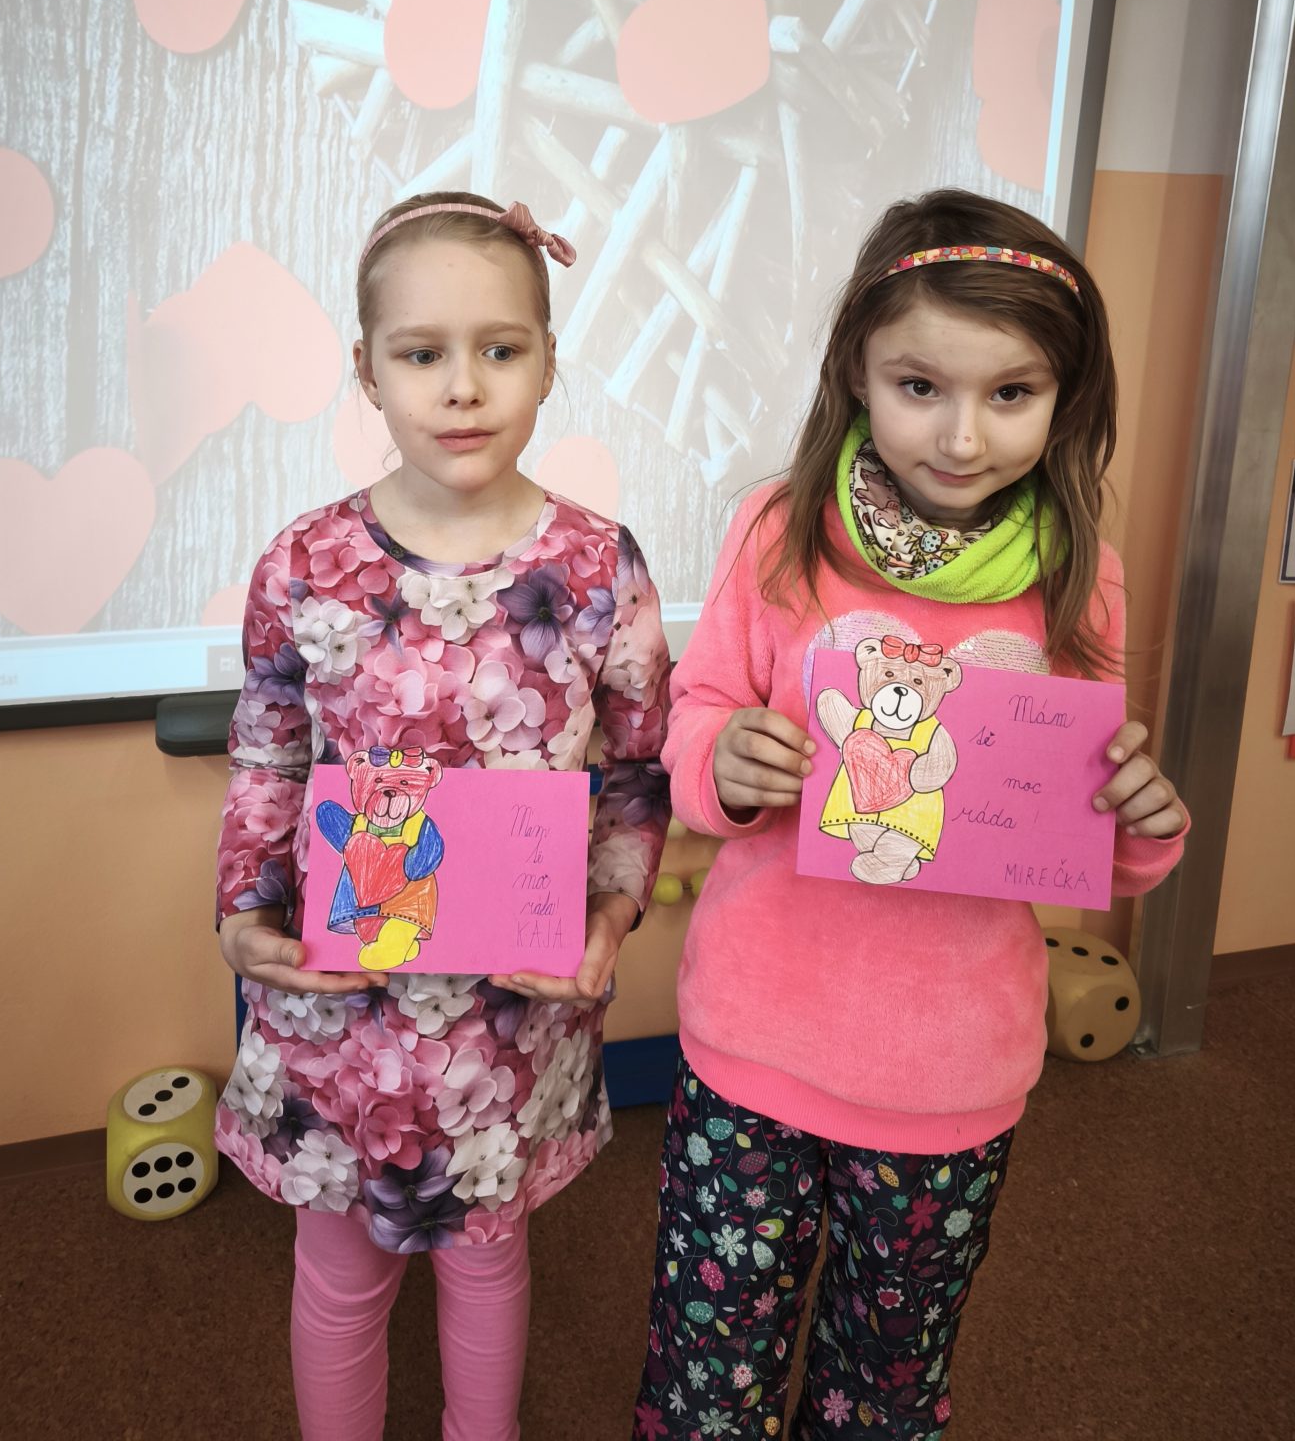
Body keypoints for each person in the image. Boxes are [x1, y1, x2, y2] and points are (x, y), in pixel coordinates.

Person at [632, 189, 1188, 1441]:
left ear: (1066, 400)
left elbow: (1086, 823)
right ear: (857, 373)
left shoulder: (1080, 574)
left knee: (883, 1390)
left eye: (1012, 392)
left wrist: (1141, 820)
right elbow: (699, 709)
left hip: (952, 1070)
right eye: (920, 385)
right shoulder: (780, 530)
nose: (962, 434)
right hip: (755, 1046)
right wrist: (725, 759)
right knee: (707, 1378)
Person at [214, 190, 671, 1441]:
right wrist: (243, 914)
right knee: (339, 1274)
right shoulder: (304, 564)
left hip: (508, 1014)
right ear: (368, 371)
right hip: (340, 1003)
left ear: (548, 362)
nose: (463, 387)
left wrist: (612, 912)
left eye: (500, 349)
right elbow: (267, 752)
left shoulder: (598, 567)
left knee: (486, 1256)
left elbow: (639, 769)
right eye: (422, 354)